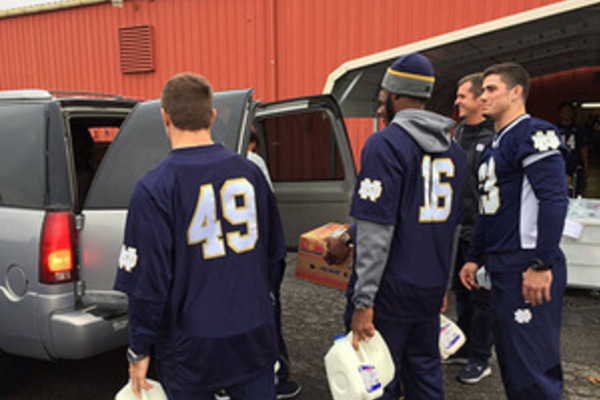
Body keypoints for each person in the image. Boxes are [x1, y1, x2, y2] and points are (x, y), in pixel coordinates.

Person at [113, 73, 286, 400]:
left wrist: (139, 350)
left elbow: (147, 286)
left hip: (190, 343)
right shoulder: (251, 173)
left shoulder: (154, 187)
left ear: (164, 117)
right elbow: (275, 258)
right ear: (212, 116)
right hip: (252, 332)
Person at [348, 53, 467, 399]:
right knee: (425, 374)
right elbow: (453, 227)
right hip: (429, 286)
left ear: (392, 93)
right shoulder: (454, 151)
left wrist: (362, 300)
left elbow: (376, 231)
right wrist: (443, 283)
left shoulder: (385, 144)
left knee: (376, 377)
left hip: (390, 290)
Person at [461, 62, 569, 399]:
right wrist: (473, 258)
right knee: (512, 362)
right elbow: (488, 210)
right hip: (501, 264)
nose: (484, 96)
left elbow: (553, 199)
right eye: (483, 90)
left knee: (532, 368)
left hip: (525, 262)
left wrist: (542, 263)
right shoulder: (497, 143)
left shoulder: (532, 133)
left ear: (516, 92)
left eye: (492, 89)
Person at [447, 73, 495, 384]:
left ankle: (481, 357)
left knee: (482, 299)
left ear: (481, 99)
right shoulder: (459, 133)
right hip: (457, 232)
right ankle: (463, 346)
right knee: (461, 294)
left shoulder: (494, 139)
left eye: (463, 96)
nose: (457, 101)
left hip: (483, 234)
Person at [557, 102, 589, 197]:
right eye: (563, 111)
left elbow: (583, 147)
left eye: (568, 111)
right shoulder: (555, 129)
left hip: (575, 163)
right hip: (559, 163)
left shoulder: (579, 129)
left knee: (576, 190)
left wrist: (586, 164)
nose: (566, 114)